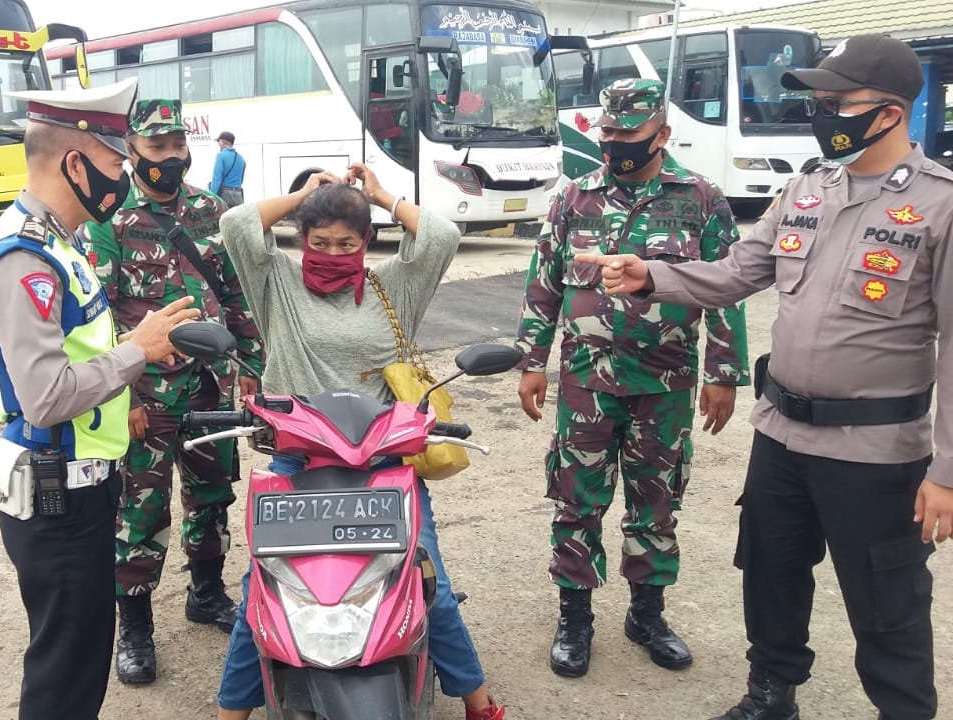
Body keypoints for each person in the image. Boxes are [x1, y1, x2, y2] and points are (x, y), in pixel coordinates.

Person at [577, 35, 953, 720]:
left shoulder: (940, 206)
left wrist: (947, 473)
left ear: (890, 114)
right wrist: (651, 275)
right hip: (781, 436)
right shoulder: (807, 189)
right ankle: (771, 693)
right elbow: (736, 274)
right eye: (819, 101)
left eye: (836, 102)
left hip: (874, 452)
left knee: (887, 600)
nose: (821, 114)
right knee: (771, 574)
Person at [214, 164, 507, 720]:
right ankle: (232, 712)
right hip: (299, 458)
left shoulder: (393, 284)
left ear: (366, 241)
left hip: (382, 461)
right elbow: (235, 224)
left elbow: (442, 235)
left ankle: (476, 698)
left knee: (428, 583)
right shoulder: (276, 280)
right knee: (263, 590)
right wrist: (305, 194)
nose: (332, 253)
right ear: (301, 238)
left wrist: (380, 195)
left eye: (346, 243)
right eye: (319, 242)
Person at [0, 77, 200, 720]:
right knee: (65, 675)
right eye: (115, 164)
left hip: (81, 483)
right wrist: (137, 352)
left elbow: (70, 354)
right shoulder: (24, 259)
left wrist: (134, 347)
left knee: (81, 659)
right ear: (75, 164)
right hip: (56, 491)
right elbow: (44, 396)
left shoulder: (57, 243)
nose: (124, 177)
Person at [516, 78, 750, 679]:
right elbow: (544, 282)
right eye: (609, 130)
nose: (616, 140)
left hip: (665, 382)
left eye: (630, 131)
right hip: (586, 381)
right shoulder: (575, 198)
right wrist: (531, 361)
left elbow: (727, 287)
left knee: (657, 502)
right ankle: (575, 618)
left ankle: (647, 615)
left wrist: (723, 371)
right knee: (577, 501)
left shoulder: (701, 198)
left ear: (662, 134)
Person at [79, 99, 265, 686]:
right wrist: (124, 397)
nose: (171, 156)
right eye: (157, 147)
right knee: (142, 510)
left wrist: (252, 361)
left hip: (210, 384)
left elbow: (235, 293)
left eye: (178, 145)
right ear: (133, 151)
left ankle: (205, 594)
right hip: (147, 393)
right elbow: (99, 318)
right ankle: (135, 629)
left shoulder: (212, 211)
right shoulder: (108, 221)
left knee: (211, 497)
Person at [210, 131, 246, 208]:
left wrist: (211, 197)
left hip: (225, 195)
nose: (218, 143)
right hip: (238, 195)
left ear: (222, 142)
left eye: (218, 141)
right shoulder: (241, 158)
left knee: (224, 216)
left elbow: (216, 179)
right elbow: (241, 180)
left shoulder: (220, 156)